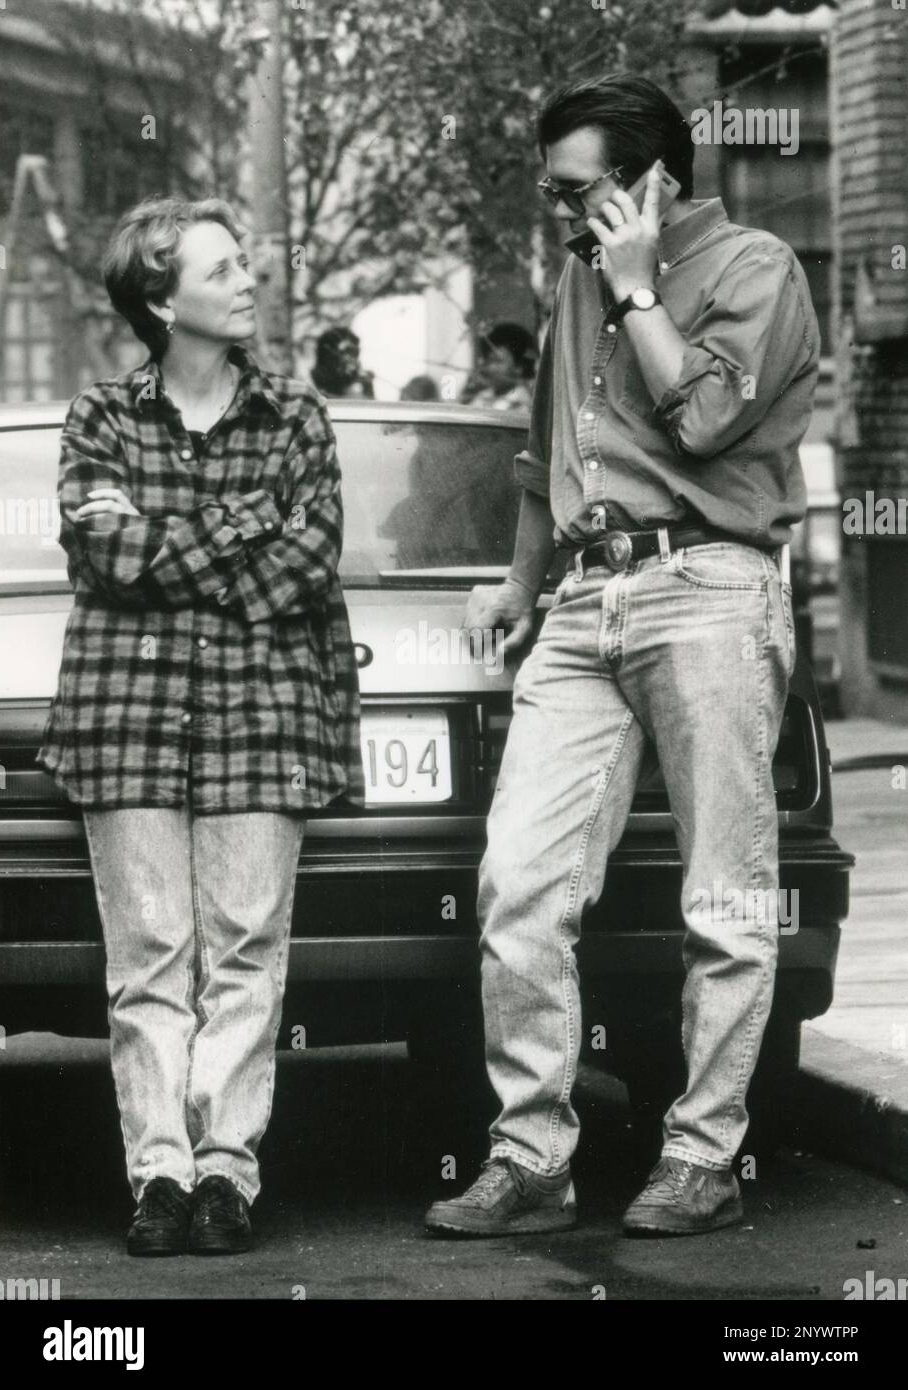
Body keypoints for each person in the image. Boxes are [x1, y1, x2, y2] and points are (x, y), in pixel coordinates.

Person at [424, 74, 817, 1239]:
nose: (557, 210)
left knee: (728, 895)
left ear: (652, 179)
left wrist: (640, 285)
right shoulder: (571, 277)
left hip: (711, 586)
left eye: (576, 188)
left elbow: (702, 420)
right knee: (520, 882)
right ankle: (533, 1156)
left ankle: (703, 1159)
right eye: (550, 189)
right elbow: (548, 451)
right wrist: (517, 578)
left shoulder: (756, 268)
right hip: (586, 603)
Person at [36, 196, 364, 1256]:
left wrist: (168, 540)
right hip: (124, 719)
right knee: (148, 958)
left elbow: (306, 564)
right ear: (161, 296)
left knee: (246, 955)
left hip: (262, 718)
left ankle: (226, 1169)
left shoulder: (296, 417)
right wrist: (240, 523)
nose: (247, 281)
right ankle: (160, 1175)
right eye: (224, 270)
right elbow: (104, 558)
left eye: (245, 265)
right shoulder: (100, 417)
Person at [463, 321, 537, 412]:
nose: (490, 367)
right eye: (489, 361)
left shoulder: (521, 403)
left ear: (518, 367)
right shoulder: (483, 397)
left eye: (497, 361)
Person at [310, 326, 375, 399]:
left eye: (355, 353)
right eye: (348, 352)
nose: (354, 360)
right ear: (328, 355)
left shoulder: (356, 390)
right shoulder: (309, 386)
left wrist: (368, 389)